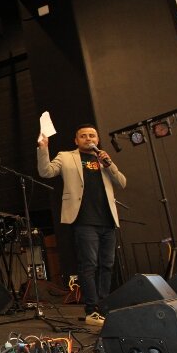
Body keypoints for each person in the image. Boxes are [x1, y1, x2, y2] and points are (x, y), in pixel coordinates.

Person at [37, 124, 126, 326]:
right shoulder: (66, 157)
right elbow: (46, 171)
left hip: (108, 220)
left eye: (92, 135)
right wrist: (43, 148)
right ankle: (91, 309)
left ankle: (104, 306)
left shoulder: (103, 159)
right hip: (84, 220)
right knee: (89, 265)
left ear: (97, 139)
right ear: (76, 141)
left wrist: (109, 164)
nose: (88, 138)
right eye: (83, 136)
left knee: (108, 265)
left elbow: (122, 182)